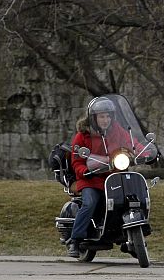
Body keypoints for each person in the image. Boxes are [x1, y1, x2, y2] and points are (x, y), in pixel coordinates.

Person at [67, 96, 134, 258]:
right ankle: (75, 240)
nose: (105, 120)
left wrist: (146, 151)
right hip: (90, 179)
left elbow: (132, 143)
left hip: (112, 178)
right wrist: (83, 170)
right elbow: (76, 161)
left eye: (108, 116)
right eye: (102, 116)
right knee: (89, 203)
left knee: (128, 199)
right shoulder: (82, 136)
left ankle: (127, 234)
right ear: (93, 117)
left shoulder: (116, 130)